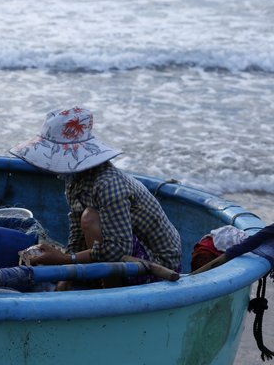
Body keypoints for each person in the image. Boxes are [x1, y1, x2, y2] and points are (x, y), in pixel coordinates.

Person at [9, 106, 182, 287]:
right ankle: (98, 280)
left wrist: (66, 259)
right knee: (85, 220)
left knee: (90, 217)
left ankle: (111, 289)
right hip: (124, 251)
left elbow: (117, 249)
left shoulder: (108, 183)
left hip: (157, 265)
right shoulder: (74, 181)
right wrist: (66, 277)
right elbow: (77, 232)